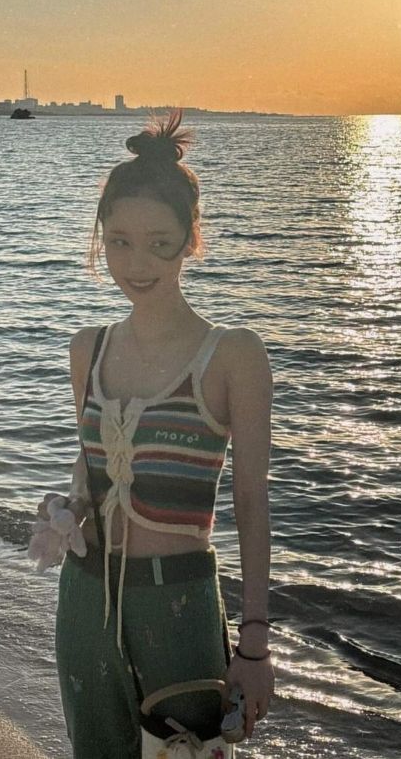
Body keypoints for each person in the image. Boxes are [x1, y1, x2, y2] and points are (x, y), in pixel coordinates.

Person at [38, 109, 274, 758]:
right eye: (118, 241)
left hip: (180, 607)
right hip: (84, 603)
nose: (135, 263)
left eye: (158, 242)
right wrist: (66, 509)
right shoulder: (88, 348)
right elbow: (90, 469)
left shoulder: (232, 356)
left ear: (191, 239)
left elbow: (251, 503)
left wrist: (254, 643)